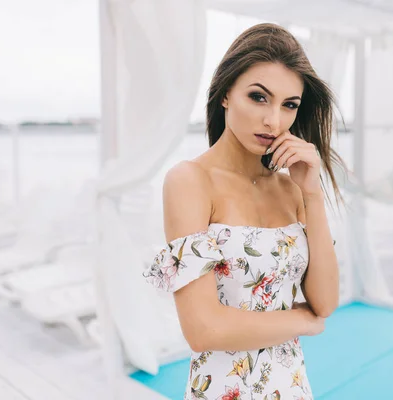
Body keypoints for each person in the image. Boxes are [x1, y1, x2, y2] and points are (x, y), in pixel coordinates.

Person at [143, 22, 346, 400]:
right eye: (258, 97)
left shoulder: (292, 189)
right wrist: (303, 321)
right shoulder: (190, 180)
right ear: (225, 94)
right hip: (223, 390)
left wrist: (313, 194)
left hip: (293, 387)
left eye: (289, 105)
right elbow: (204, 329)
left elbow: (326, 301)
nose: (274, 121)